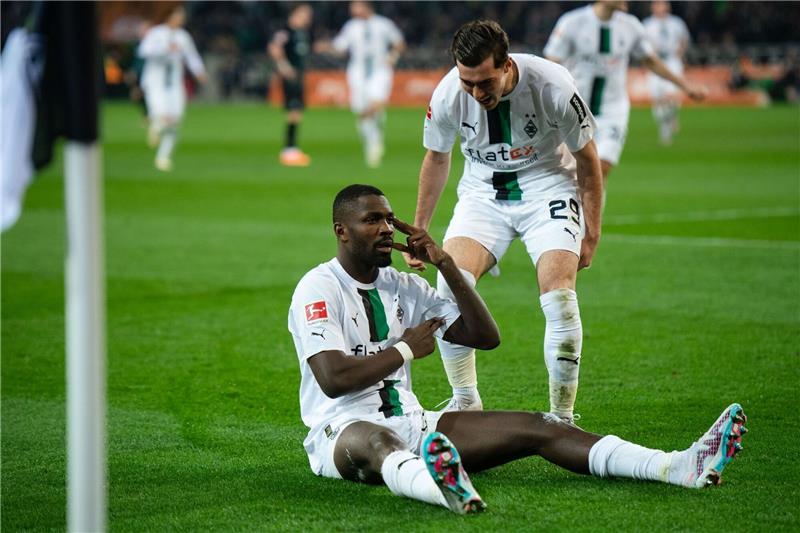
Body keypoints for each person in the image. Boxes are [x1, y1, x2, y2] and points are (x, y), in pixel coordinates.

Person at [287, 184, 748, 514]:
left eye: (389, 218)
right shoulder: (319, 287)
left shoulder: (404, 285)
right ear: (341, 231)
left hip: (418, 423)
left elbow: (484, 336)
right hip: (341, 432)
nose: (387, 228)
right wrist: (406, 350)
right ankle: (442, 488)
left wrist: (446, 263)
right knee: (378, 441)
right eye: (372, 220)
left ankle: (678, 466)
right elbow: (333, 380)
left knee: (540, 425)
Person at [407, 19, 602, 423]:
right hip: (483, 194)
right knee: (448, 288)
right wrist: (421, 227)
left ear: (507, 65)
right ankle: (465, 401)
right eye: (467, 82)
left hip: (548, 187)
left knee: (560, 300)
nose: (476, 93)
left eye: (485, 82)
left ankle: (562, 417)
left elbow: (587, 159)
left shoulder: (554, 86)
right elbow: (437, 158)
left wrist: (592, 232)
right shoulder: (447, 95)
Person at [544, 1, 705, 190]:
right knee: (574, 174)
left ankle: (591, 219)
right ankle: (581, 217)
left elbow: (651, 61)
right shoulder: (571, 22)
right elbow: (551, 64)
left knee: (599, 169)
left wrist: (686, 86)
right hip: (575, 111)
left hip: (613, 110)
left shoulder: (631, 26)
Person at [316, 2, 405, 168]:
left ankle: (375, 142)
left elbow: (399, 42)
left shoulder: (383, 24)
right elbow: (340, 47)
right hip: (357, 74)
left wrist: (393, 57)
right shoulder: (351, 26)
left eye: (356, 6)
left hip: (380, 71)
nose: (352, 10)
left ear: (366, 6)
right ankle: (372, 142)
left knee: (375, 105)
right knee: (361, 112)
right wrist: (326, 47)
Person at [138, 5, 207, 172]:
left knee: (175, 121)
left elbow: (191, 56)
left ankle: (163, 157)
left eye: (181, 16)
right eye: (177, 15)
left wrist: (200, 72)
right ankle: (156, 125)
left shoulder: (183, 37)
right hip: (155, 83)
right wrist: (164, 49)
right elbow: (143, 51)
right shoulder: (156, 33)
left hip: (175, 84)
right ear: (168, 16)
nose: (180, 19)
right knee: (163, 115)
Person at [269, 3, 314, 167]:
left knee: (297, 111)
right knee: (293, 111)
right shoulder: (285, 30)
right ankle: (289, 150)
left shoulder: (301, 33)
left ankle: (292, 149)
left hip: (299, 75)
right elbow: (274, 48)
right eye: (305, 13)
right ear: (296, 13)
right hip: (290, 76)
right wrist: (284, 67)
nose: (308, 17)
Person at [643, 1, 691, 145]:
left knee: (671, 96)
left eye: (662, 4)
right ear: (652, 7)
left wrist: (680, 52)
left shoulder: (676, 23)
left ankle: (667, 125)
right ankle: (666, 123)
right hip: (655, 63)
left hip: (672, 62)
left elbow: (684, 40)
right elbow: (642, 45)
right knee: (657, 99)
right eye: (657, 4)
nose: (660, 7)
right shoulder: (647, 24)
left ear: (667, 6)